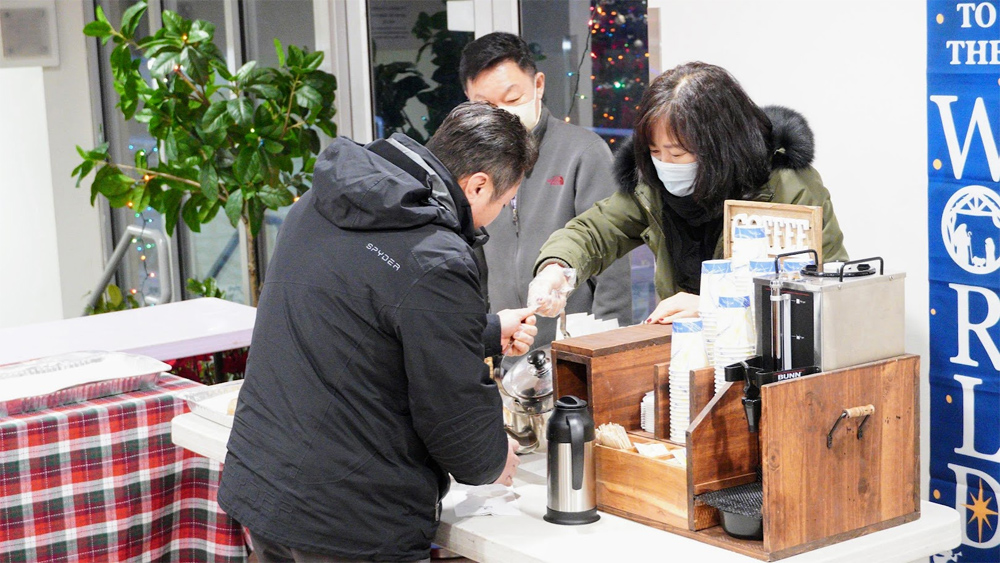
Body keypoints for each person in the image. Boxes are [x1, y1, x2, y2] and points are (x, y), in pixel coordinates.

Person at [218, 102, 540, 562]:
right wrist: (492, 458)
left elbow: (359, 320)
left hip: (266, 486)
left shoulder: (320, 202)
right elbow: (456, 421)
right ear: (478, 185)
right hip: (351, 517)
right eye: (503, 203)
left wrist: (485, 331)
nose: (498, 214)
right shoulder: (435, 255)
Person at [528, 62, 848, 323]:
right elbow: (595, 230)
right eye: (655, 151)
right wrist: (555, 269)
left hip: (772, 360)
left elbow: (824, 289)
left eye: (678, 153)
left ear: (720, 145)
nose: (665, 164)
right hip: (690, 350)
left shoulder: (787, 186)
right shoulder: (652, 186)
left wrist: (713, 305)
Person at [460, 32, 633, 351]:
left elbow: (612, 264)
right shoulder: (473, 165)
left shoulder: (583, 152)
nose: (501, 114)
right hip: (508, 345)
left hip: (575, 348)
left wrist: (610, 348)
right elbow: (475, 263)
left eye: (512, 99)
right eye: (485, 106)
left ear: (538, 85)